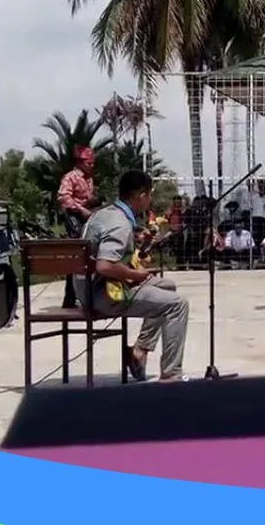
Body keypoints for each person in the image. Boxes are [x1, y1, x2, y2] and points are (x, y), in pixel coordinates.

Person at [78, 170, 190, 383]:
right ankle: (171, 375)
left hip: (87, 288)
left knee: (167, 286)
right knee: (178, 304)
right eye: (150, 194)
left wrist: (140, 245)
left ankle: (140, 349)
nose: (151, 199)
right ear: (140, 195)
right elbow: (105, 265)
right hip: (104, 294)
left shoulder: (104, 214)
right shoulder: (120, 223)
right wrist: (135, 275)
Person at [57, 146, 99, 307]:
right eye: (89, 163)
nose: (92, 166)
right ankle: (70, 296)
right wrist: (81, 210)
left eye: (93, 163)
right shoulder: (71, 177)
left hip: (87, 217)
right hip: (74, 217)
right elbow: (63, 197)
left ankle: (84, 294)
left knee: (89, 255)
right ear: (80, 163)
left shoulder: (89, 179)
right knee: (76, 256)